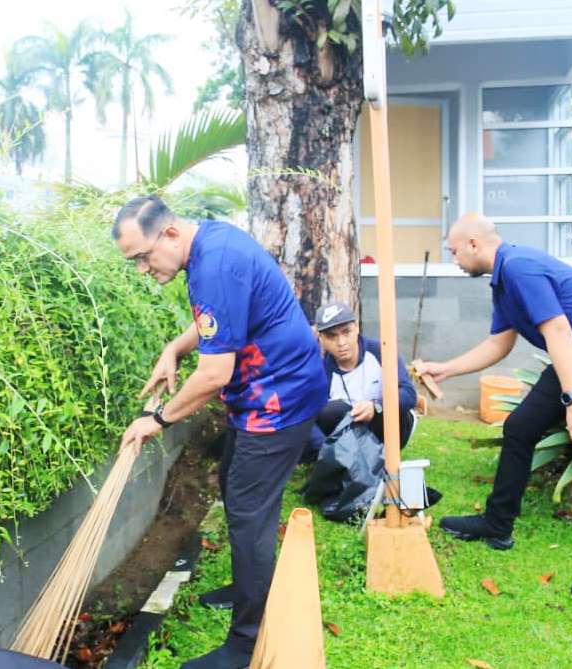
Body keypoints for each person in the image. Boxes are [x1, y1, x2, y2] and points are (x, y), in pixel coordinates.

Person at [113, 196, 327, 668]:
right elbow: (222, 322)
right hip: (279, 387)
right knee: (234, 482)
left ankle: (245, 643)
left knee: (250, 512)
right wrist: (174, 346)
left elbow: (214, 375)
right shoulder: (211, 241)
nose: (143, 269)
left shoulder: (212, 264)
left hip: (277, 401)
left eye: (142, 257)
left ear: (169, 234)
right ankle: (249, 582)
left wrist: (158, 419)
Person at [414, 213, 572, 606]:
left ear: (474, 244)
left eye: (453, 250)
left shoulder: (520, 268)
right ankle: (497, 524)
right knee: (520, 428)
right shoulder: (504, 279)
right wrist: (446, 368)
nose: (452, 258)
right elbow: (499, 345)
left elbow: (557, 330)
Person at [314, 300, 417, 448]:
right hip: (351, 433)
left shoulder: (381, 351)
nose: (341, 342)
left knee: (395, 409)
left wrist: (376, 407)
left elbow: (408, 394)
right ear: (321, 339)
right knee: (330, 411)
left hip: (386, 424)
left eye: (346, 332)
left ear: (356, 328)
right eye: (332, 336)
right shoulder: (322, 371)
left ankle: (388, 458)